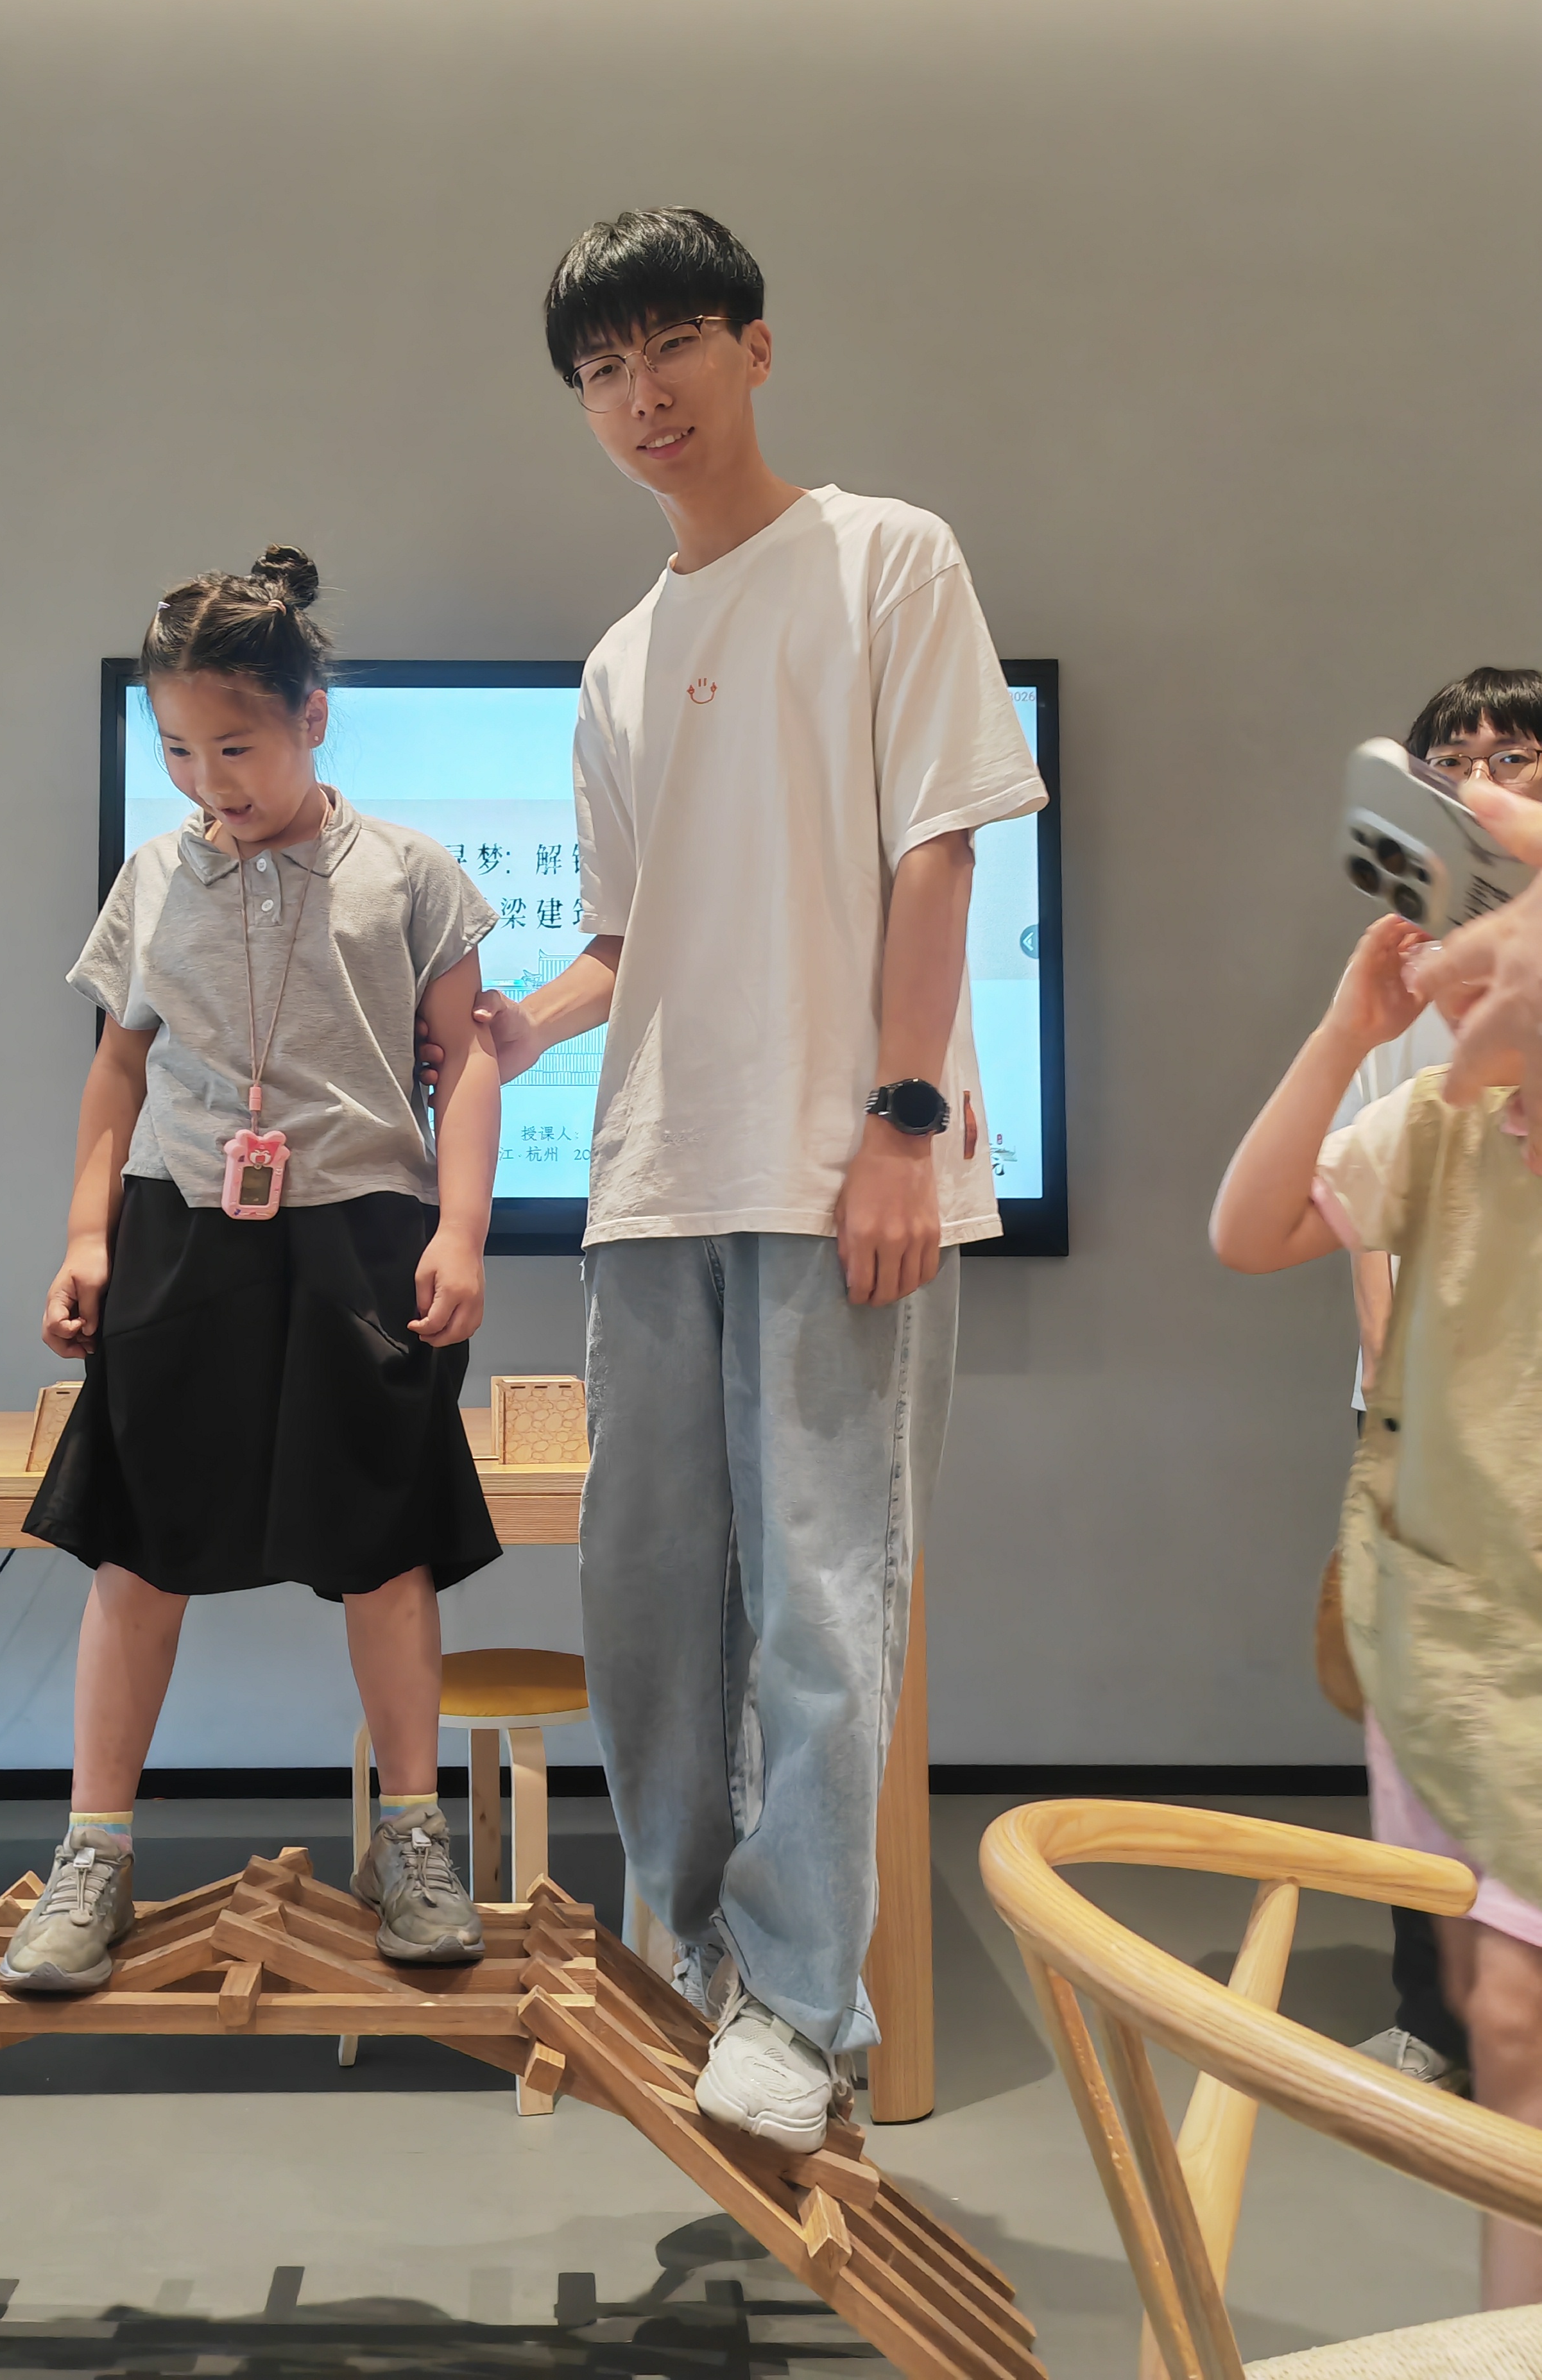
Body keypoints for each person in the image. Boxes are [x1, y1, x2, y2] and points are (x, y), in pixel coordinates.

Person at [471, 208, 1047, 2152]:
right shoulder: (620, 659)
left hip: (836, 1169)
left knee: (822, 1595)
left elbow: (941, 847)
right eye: (601, 369)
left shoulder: (886, 556)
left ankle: (801, 2004)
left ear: (755, 348)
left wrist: (903, 1123)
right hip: (655, 1177)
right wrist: (512, 1029)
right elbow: (624, 939)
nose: (642, 393)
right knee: (645, 1607)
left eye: (672, 345)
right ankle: (721, 1957)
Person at [1, 548, 504, 1991]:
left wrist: (460, 1230)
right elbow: (119, 1067)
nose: (206, 779)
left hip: (365, 1236)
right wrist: (86, 1235)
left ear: (312, 718)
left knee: (384, 1548)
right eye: (177, 749)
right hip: (180, 1229)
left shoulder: (411, 872)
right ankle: (94, 1854)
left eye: (235, 745)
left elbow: (468, 1061)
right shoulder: (153, 875)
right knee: (138, 1547)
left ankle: (410, 1841)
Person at [1213, 910, 1542, 2309]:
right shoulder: (1440, 1122)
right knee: (1509, 2027)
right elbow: (1248, 1228)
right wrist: (1348, 1031)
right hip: (1461, 1632)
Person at [1339, 669, 1542, 2095]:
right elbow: (1357, 1204)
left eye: (1515, 756)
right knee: (1419, 1720)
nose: (1483, 782)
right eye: (1453, 760)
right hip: (1418, 1421)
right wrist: (1389, 1386)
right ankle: (1433, 2007)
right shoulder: (1407, 968)